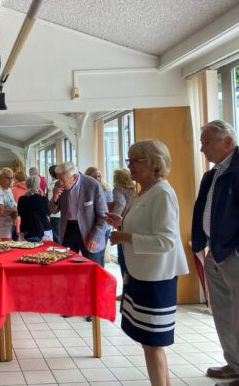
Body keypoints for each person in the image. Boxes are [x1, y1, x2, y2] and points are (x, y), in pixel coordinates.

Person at [106, 139, 188, 386]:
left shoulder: (162, 193)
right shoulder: (145, 191)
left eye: (135, 161)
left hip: (156, 277)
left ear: (153, 163)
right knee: (149, 343)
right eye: (128, 160)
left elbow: (166, 241)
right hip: (142, 274)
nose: (129, 166)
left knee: (153, 344)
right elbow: (146, 225)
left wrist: (125, 236)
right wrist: (121, 222)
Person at [191, 120, 239, 384]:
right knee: (222, 312)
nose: (202, 149)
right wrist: (200, 243)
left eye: (207, 142)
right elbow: (202, 209)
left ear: (228, 142)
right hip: (215, 251)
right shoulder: (212, 174)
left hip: (233, 252)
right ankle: (234, 363)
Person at [49, 162, 108, 267]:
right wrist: (54, 198)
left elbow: (104, 217)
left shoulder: (92, 185)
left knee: (93, 267)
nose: (60, 183)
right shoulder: (59, 185)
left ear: (74, 177)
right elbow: (52, 210)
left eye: (63, 180)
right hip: (68, 230)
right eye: (59, 179)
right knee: (67, 266)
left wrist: (95, 236)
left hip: (90, 231)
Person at [111, 169, 136, 280]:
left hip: (123, 223)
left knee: (123, 258)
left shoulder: (118, 189)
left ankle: (126, 285)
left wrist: (114, 218)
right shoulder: (134, 189)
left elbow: (120, 204)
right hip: (134, 223)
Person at [85, 166, 113, 250]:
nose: (97, 179)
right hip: (90, 226)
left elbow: (109, 207)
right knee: (92, 250)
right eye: (94, 177)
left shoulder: (106, 188)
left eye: (99, 176)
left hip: (104, 225)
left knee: (101, 251)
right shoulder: (84, 189)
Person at [17, 176, 52, 241]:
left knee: (26, 248)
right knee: (45, 247)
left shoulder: (21, 199)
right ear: (38, 186)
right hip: (44, 229)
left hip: (26, 230)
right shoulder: (43, 199)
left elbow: (20, 213)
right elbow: (49, 213)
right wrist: (42, 196)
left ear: (27, 185)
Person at [0, 168, 18, 241]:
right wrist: (13, 211)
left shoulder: (9, 190)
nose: (10, 180)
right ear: (0, 178)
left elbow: (13, 206)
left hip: (8, 229)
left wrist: (15, 212)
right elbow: (1, 212)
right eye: (8, 178)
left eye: (12, 178)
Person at [47, 165, 61, 244]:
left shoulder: (52, 185)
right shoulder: (61, 184)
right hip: (61, 214)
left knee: (56, 236)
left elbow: (50, 201)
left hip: (54, 215)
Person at [11, 171, 27, 237]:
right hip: (27, 220)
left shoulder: (12, 190)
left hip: (15, 219)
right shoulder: (29, 189)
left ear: (16, 180)